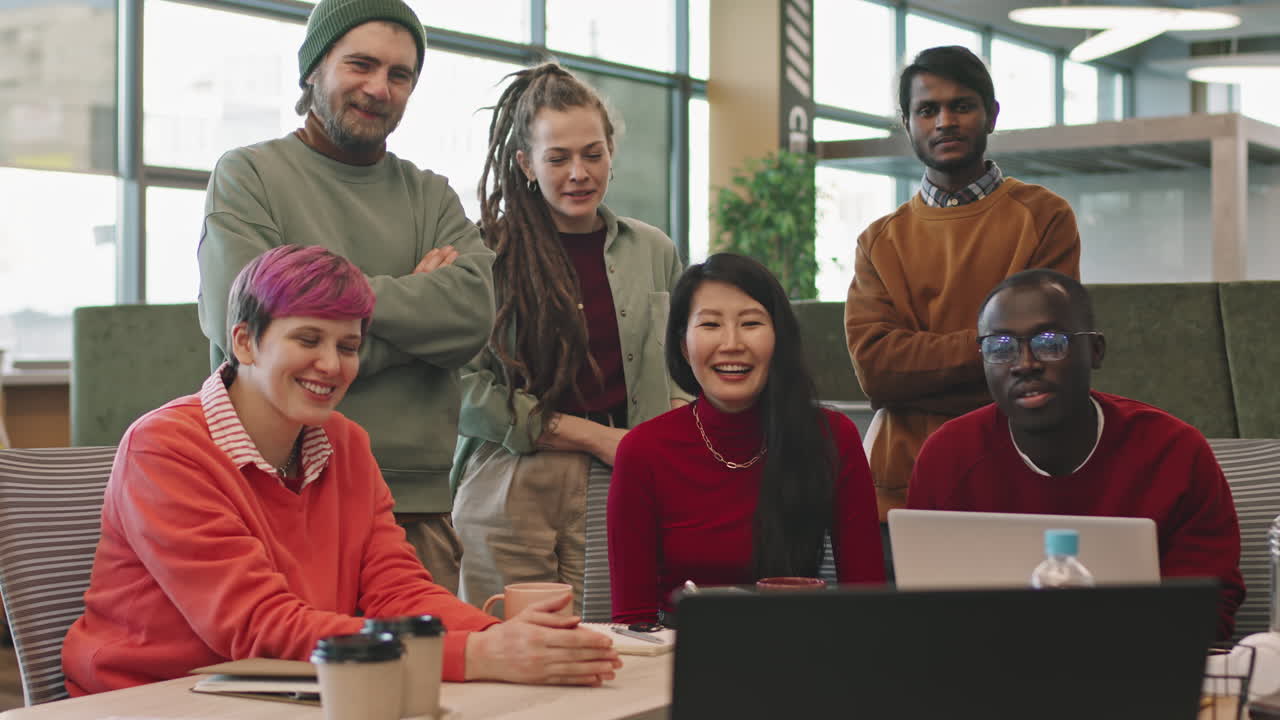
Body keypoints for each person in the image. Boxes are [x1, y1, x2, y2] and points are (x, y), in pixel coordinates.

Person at [63, 246, 620, 695]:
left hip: (283, 690)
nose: (331, 365)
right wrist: (475, 653)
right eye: (308, 339)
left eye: (348, 345)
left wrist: (503, 639)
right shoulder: (164, 449)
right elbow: (259, 628)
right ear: (245, 342)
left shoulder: (345, 444)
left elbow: (399, 592)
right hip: (147, 702)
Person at [197, 0, 495, 595]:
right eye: (360, 65)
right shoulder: (248, 176)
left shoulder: (431, 196)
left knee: (427, 683)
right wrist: (413, 313)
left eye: (399, 74)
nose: (378, 88)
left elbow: (473, 315)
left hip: (415, 506)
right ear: (313, 69)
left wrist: (312, 330)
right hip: (274, 497)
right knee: (274, 682)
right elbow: (241, 328)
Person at [451, 62, 687, 614]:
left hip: (625, 480)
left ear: (611, 152)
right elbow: (462, 388)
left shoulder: (653, 251)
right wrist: (588, 435)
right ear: (525, 164)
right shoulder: (487, 252)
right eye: (557, 158)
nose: (578, 172)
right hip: (511, 483)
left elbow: (682, 367)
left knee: (618, 654)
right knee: (510, 669)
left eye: (592, 153)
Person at [909, 269, 1244, 638]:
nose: (1024, 364)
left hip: (1140, 674)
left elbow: (1207, 608)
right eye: (1000, 347)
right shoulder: (947, 456)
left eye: (1050, 342)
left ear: (1095, 351)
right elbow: (925, 612)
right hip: (985, 677)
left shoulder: (1175, 453)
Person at [844, 45, 1081, 522]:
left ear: (991, 115)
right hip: (900, 490)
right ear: (907, 123)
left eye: (962, 106)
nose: (944, 121)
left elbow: (1042, 357)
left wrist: (920, 373)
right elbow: (876, 371)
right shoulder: (879, 241)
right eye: (927, 110)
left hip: (1016, 473)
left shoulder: (1044, 216)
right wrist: (995, 350)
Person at [608, 253, 885, 624]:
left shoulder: (831, 438)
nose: (731, 343)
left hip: (798, 655)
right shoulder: (643, 452)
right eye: (710, 325)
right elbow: (633, 622)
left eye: (750, 323)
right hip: (679, 661)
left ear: (779, 338)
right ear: (683, 346)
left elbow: (866, 603)